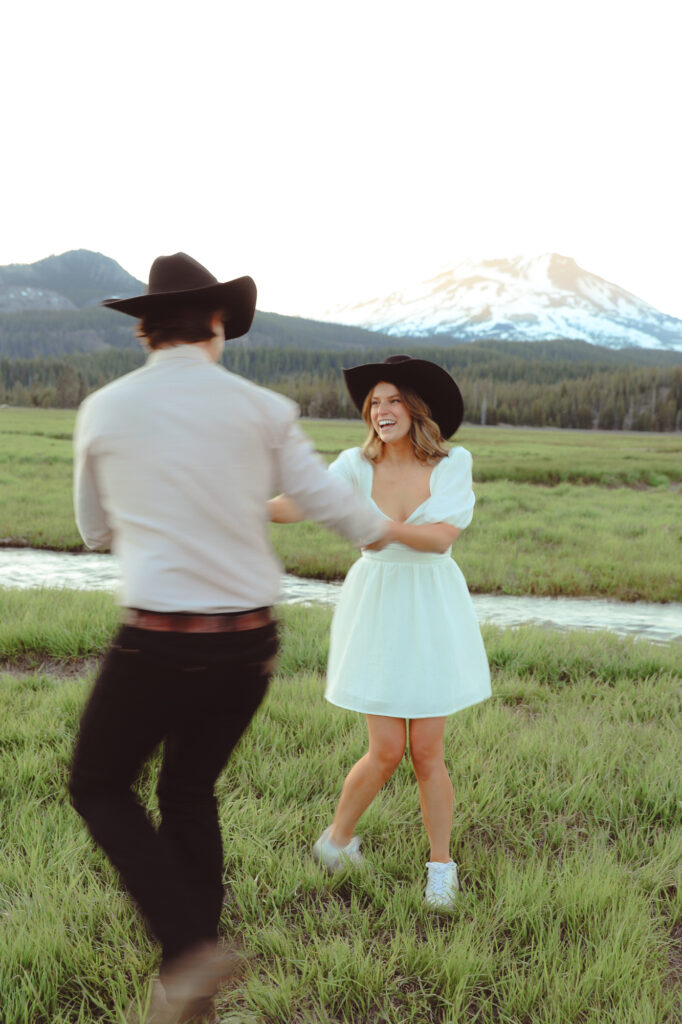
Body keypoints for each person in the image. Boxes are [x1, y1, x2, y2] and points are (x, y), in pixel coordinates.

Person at [68, 253, 397, 1024]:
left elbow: (91, 531)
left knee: (98, 784)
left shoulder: (105, 408)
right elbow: (338, 509)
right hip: (246, 648)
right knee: (188, 791)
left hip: (154, 641)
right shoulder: (263, 408)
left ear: (146, 326)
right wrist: (392, 532)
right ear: (216, 323)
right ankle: (198, 994)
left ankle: (188, 950)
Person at [270, 355, 491, 910]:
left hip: (432, 603)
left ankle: (440, 866)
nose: (381, 409)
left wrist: (377, 527)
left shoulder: (453, 463)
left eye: (393, 400)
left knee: (427, 751)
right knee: (388, 747)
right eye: (374, 402)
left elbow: (441, 538)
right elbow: (302, 502)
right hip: (376, 603)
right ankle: (336, 842)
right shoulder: (353, 463)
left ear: (417, 409)